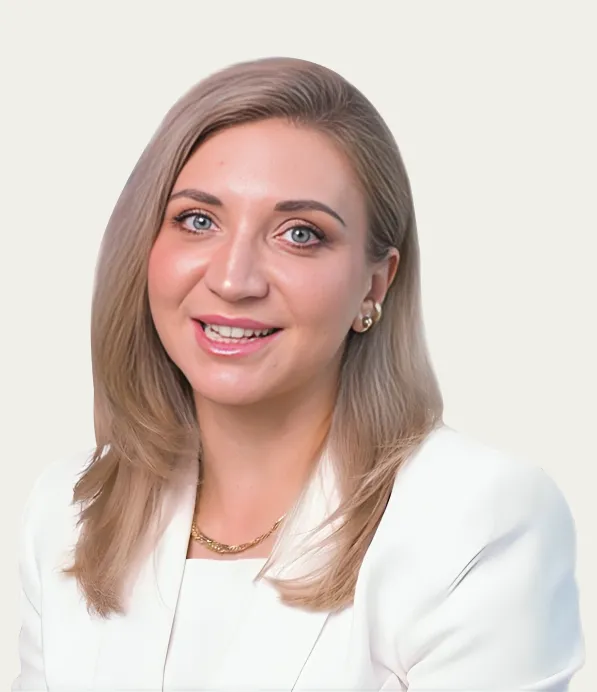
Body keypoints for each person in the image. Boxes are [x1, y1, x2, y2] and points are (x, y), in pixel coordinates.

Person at [13, 56, 584, 692]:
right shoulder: (69, 510)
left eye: (300, 234)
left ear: (375, 284)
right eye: (198, 220)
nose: (234, 280)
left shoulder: (480, 519)